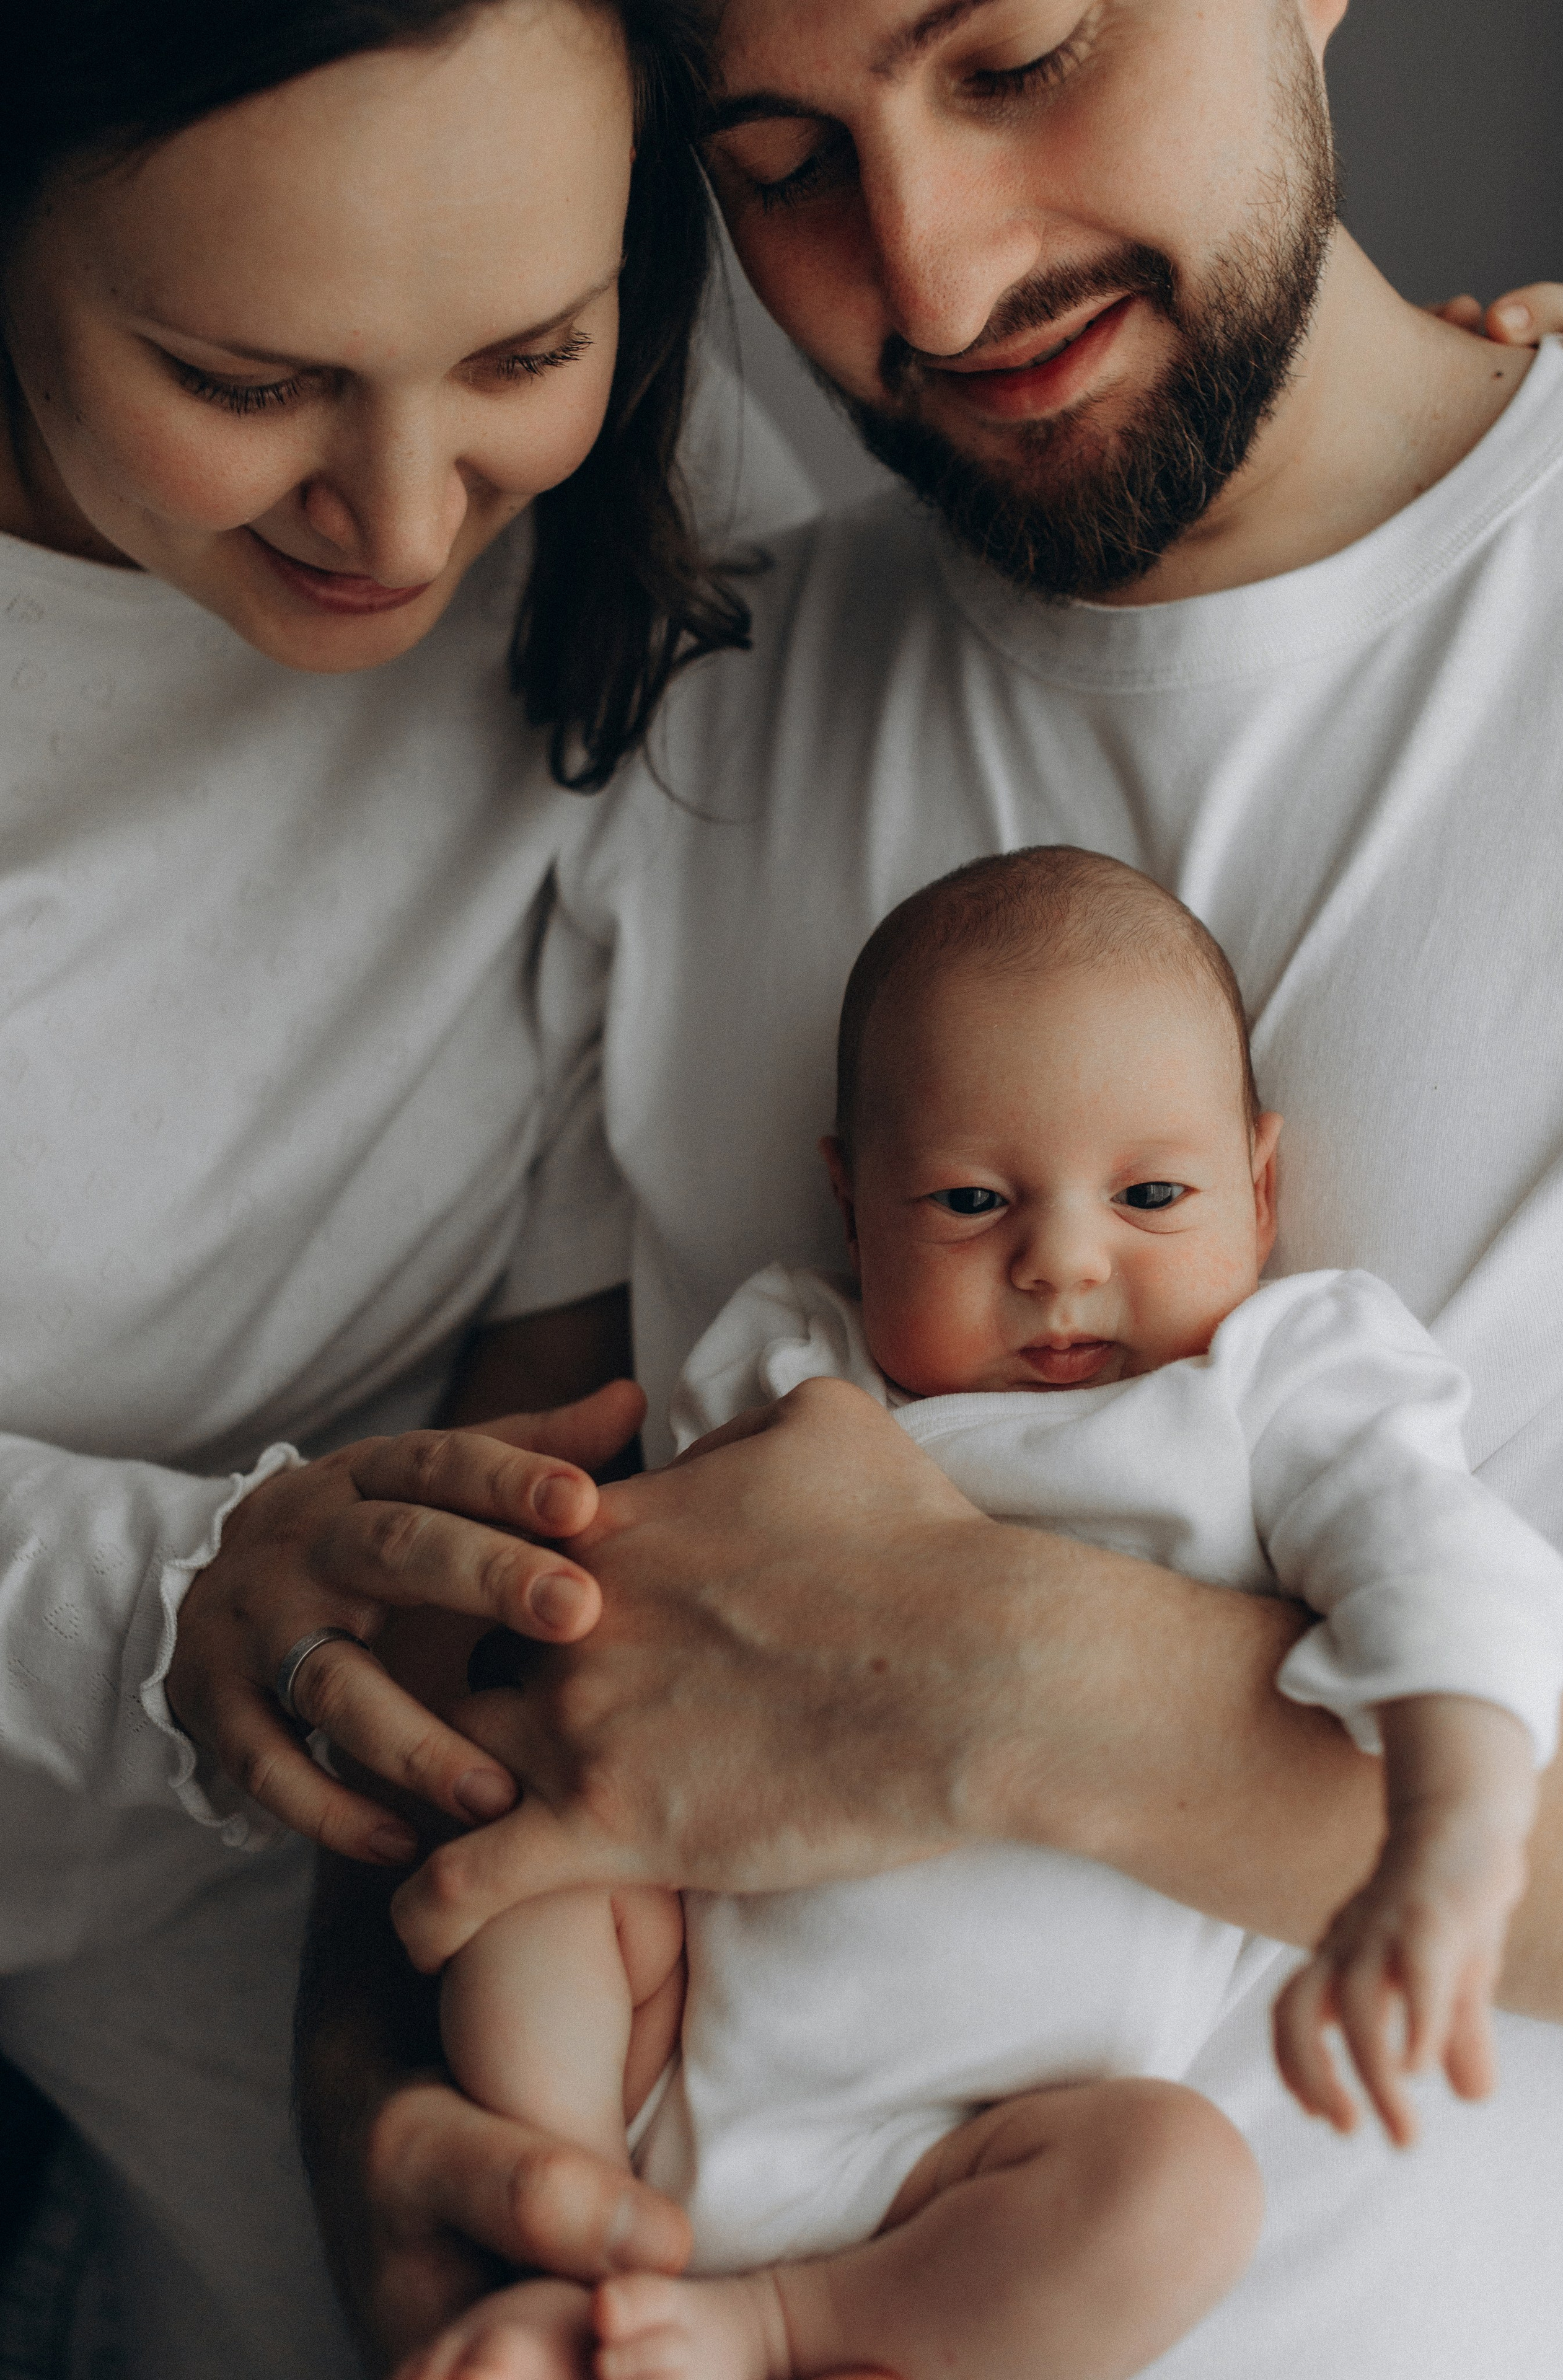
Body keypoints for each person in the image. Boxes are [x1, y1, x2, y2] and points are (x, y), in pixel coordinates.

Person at [297, 2, 1563, 2376]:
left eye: (1013, 59)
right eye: (780, 160)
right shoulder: (692, 720)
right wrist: (396, 2147)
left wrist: (1002, 1688)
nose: (932, 269)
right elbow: (484, 1674)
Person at [0, 3, 817, 2374]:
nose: (410, 517)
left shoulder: (680, 512)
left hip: (296, 1855)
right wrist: (166, 1594)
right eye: (244, 382)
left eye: (524, 352)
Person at [413, 848, 1563, 2380]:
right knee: (530, 1868)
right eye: (969, 1203)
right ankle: (562, 2212)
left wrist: (1442, 1835)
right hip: (673, 2039)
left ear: (1263, 1186)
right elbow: (643, 1639)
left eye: (1152, 1195)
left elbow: (1445, 1571)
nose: (1063, 1263)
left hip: (991, 2150)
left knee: (1175, 2194)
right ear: (849, 1202)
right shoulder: (795, 1361)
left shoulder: (1272, 1387)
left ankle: (768, 2327)